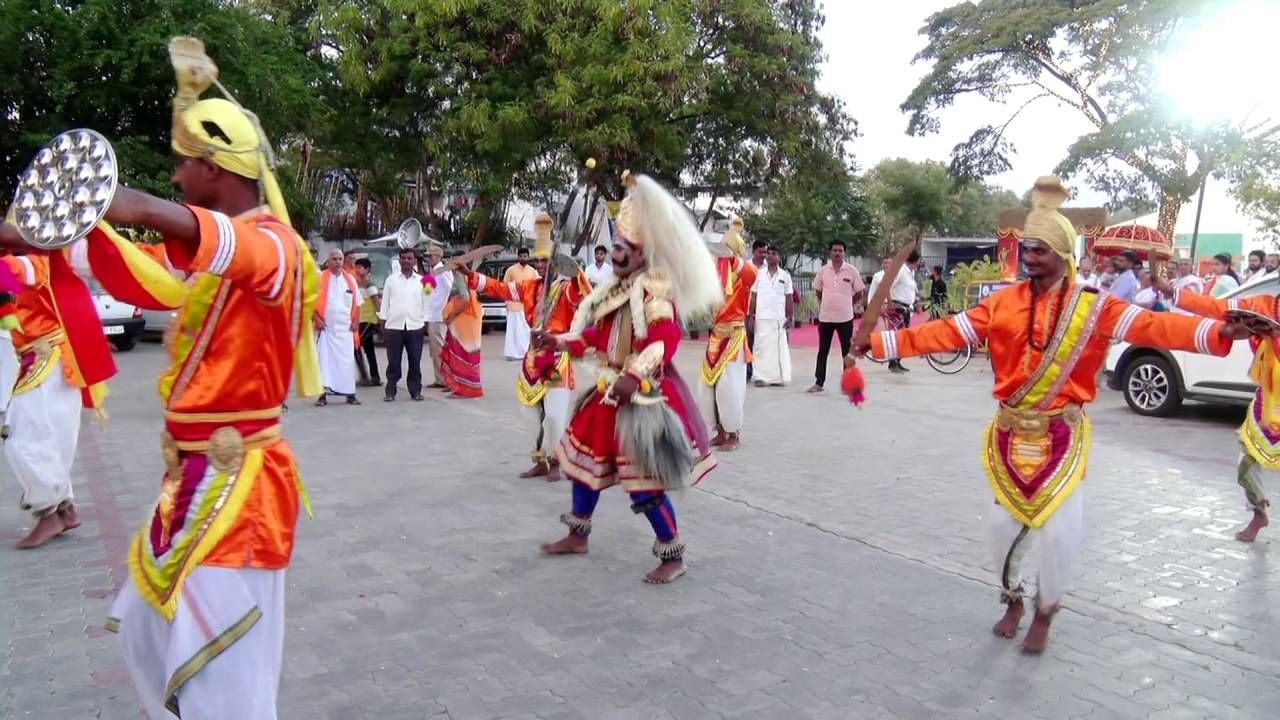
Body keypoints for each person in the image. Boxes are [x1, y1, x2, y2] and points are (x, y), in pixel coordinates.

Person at [851, 176, 1246, 654]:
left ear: (1064, 255)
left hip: (1062, 435)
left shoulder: (1094, 307)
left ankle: (1045, 610)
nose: (1030, 256)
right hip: (1010, 432)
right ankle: (1012, 598)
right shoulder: (1001, 304)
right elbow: (946, 334)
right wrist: (877, 343)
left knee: (1060, 532)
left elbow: (1154, 325)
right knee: (1001, 530)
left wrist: (1220, 332)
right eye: (1027, 247)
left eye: (1040, 249)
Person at [102, 37, 325, 717]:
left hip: (243, 492)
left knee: (224, 673)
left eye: (181, 167)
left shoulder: (278, 250)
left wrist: (140, 208)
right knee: (149, 629)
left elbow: (242, 251)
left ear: (213, 168)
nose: (174, 179)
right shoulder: (211, 264)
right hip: (192, 483)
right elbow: (156, 275)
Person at [536, 172, 722, 584]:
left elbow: (663, 343)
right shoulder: (614, 290)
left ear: (642, 254)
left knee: (643, 483)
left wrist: (634, 378)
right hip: (605, 393)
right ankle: (577, 534)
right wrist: (559, 341)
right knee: (582, 464)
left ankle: (673, 555)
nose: (616, 254)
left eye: (624, 248)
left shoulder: (655, 292)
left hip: (640, 399)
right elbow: (595, 336)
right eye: (615, 247)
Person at [0, 233, 117, 549]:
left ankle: (49, 511)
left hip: (47, 358)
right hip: (54, 358)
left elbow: (14, 272)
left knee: (21, 437)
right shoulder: (39, 256)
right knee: (49, 437)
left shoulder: (31, 259)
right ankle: (64, 508)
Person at [460, 213, 591, 480]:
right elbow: (499, 288)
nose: (541, 265)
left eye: (546, 260)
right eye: (538, 260)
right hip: (532, 359)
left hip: (557, 357)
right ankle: (539, 460)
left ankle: (556, 461)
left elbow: (586, 296)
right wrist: (470, 275)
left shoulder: (565, 289)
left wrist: (574, 272)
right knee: (529, 416)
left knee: (554, 416)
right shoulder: (528, 287)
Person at [1156, 272, 1280, 543]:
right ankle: (1258, 512)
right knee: (1247, 457)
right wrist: (1173, 293)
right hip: (1272, 400)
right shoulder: (1265, 305)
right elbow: (1218, 308)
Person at [698, 217, 757, 451]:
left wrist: (733, 258)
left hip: (734, 335)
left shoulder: (744, 276)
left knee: (728, 386)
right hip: (716, 336)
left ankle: (733, 434)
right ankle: (720, 431)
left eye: (728, 249)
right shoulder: (716, 276)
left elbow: (752, 276)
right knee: (706, 385)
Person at [808, 239, 864, 393]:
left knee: (847, 352)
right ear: (830, 252)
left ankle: (849, 384)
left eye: (840, 250)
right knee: (823, 351)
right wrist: (829, 301)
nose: (837, 253)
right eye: (835, 250)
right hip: (826, 317)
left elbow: (860, 292)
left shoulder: (851, 271)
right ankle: (819, 383)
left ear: (844, 253)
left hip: (845, 318)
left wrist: (847, 303)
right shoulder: (823, 271)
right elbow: (818, 291)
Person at [379, 247, 428, 402]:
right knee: (393, 361)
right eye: (403, 258)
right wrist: (383, 322)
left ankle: (415, 391)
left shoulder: (423, 281)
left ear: (414, 260)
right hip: (394, 326)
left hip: (415, 326)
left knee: (415, 360)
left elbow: (427, 301)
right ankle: (390, 391)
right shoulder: (391, 280)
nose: (406, 261)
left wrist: (424, 322)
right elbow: (384, 303)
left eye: (409, 258)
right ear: (399, 260)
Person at [314, 249, 361, 406]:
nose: (338, 262)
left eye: (340, 259)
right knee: (324, 363)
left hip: (345, 330)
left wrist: (356, 322)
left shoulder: (350, 280)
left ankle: (350, 394)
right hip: (326, 329)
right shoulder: (320, 278)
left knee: (347, 362)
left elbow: (358, 303)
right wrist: (316, 318)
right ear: (328, 261)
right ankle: (322, 395)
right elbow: (310, 302)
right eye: (334, 258)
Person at [868, 251, 920, 373]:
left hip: (906, 308)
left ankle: (898, 361)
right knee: (896, 336)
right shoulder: (900, 271)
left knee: (903, 337)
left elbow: (911, 290)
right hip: (898, 307)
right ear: (915, 261)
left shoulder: (910, 273)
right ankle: (892, 363)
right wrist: (890, 303)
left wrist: (919, 299)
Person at [749, 245, 794, 387]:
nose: (769, 255)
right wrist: (751, 316)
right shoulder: (758, 274)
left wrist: (790, 316)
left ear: (779, 257)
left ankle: (777, 378)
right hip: (762, 317)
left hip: (778, 318)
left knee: (778, 349)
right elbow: (754, 295)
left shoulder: (785, 276)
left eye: (773, 253)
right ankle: (759, 377)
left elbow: (789, 297)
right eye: (768, 253)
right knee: (760, 348)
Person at [439, 269, 484, 398]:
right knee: (470, 355)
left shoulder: (460, 277)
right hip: (471, 320)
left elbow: (465, 299)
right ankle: (470, 386)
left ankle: (465, 389)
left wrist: (451, 315)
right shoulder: (470, 276)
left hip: (463, 321)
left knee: (462, 353)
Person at [424, 241, 453, 388]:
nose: (428, 259)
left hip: (439, 315)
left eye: (430, 256)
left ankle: (446, 379)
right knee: (435, 350)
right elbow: (427, 292)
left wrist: (446, 309)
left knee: (441, 348)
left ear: (437, 256)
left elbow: (450, 289)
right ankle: (439, 379)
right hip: (432, 314)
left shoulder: (443, 270)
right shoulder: (433, 270)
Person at [502, 248, 538, 360]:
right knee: (513, 331)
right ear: (518, 257)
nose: (523, 258)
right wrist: (506, 302)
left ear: (528, 257)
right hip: (513, 305)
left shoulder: (532, 271)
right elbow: (505, 286)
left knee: (525, 331)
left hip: (527, 305)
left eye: (525, 256)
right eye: (521, 256)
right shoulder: (511, 270)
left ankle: (525, 353)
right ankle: (512, 354)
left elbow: (537, 287)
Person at [353, 257, 382, 387]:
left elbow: (377, 304)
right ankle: (375, 377)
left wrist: (380, 321)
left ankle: (365, 376)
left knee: (356, 347)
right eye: (356, 267)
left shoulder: (370, 286)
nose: (357, 270)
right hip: (361, 320)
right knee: (369, 349)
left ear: (367, 269)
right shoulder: (356, 284)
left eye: (360, 267)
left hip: (369, 321)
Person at [746, 239, 769, 382]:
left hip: (764, 309)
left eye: (765, 252)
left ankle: (761, 372)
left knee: (762, 343)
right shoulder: (745, 267)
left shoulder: (768, 268)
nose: (763, 255)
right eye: (760, 252)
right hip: (747, 309)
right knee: (748, 341)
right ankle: (748, 371)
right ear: (753, 251)